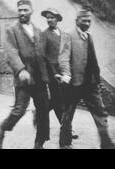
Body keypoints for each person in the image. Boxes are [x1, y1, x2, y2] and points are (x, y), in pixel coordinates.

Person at [0, 0, 50, 149]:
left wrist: (50, 75)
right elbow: (10, 52)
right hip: (24, 78)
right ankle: (2, 128)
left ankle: (39, 144)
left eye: (25, 10)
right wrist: (20, 69)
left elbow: (43, 54)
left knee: (43, 111)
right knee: (19, 110)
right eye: (20, 10)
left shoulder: (38, 31)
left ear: (32, 11)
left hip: (39, 79)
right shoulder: (12, 30)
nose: (22, 13)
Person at [57, 10, 115, 149]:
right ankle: (64, 143)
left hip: (90, 84)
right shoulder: (68, 35)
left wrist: (96, 78)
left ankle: (106, 143)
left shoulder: (89, 36)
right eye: (84, 20)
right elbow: (63, 57)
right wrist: (66, 74)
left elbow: (92, 59)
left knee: (100, 112)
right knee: (68, 114)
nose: (87, 23)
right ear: (77, 20)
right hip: (73, 84)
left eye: (89, 21)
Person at [39, 8, 78, 139]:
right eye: (47, 17)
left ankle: (39, 113)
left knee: (63, 100)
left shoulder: (63, 33)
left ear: (57, 19)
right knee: (58, 101)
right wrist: (51, 74)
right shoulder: (44, 35)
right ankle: (67, 128)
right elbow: (43, 57)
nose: (49, 20)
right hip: (53, 75)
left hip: (65, 73)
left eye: (52, 17)